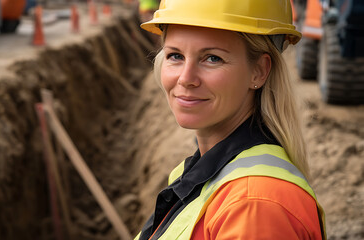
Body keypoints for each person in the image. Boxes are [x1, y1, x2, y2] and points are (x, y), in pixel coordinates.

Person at [134, 0, 327, 239]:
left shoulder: (255, 205)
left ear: (259, 71)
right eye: (175, 56)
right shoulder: (201, 173)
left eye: (212, 58)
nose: (186, 79)